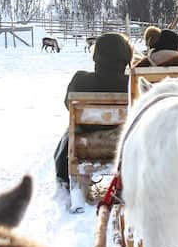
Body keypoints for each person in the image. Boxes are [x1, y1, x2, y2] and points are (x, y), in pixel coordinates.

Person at [53, 32, 133, 187]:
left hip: (85, 146)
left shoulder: (80, 80)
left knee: (68, 132)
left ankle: (64, 178)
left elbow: (68, 105)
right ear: (125, 57)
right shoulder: (132, 83)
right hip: (124, 146)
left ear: (96, 56)